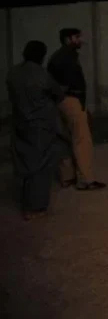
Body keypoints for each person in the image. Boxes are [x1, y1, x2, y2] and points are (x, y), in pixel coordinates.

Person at [7, 41, 67, 220]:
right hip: (41, 126)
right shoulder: (41, 74)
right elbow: (58, 94)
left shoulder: (13, 73)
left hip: (20, 123)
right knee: (41, 167)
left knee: (25, 163)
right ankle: (36, 208)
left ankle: (26, 202)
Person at [47, 28, 106, 190]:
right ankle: (85, 180)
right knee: (82, 139)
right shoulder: (66, 57)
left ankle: (67, 177)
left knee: (64, 139)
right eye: (76, 37)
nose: (80, 40)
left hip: (62, 101)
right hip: (71, 100)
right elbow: (65, 82)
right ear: (67, 39)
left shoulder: (59, 56)